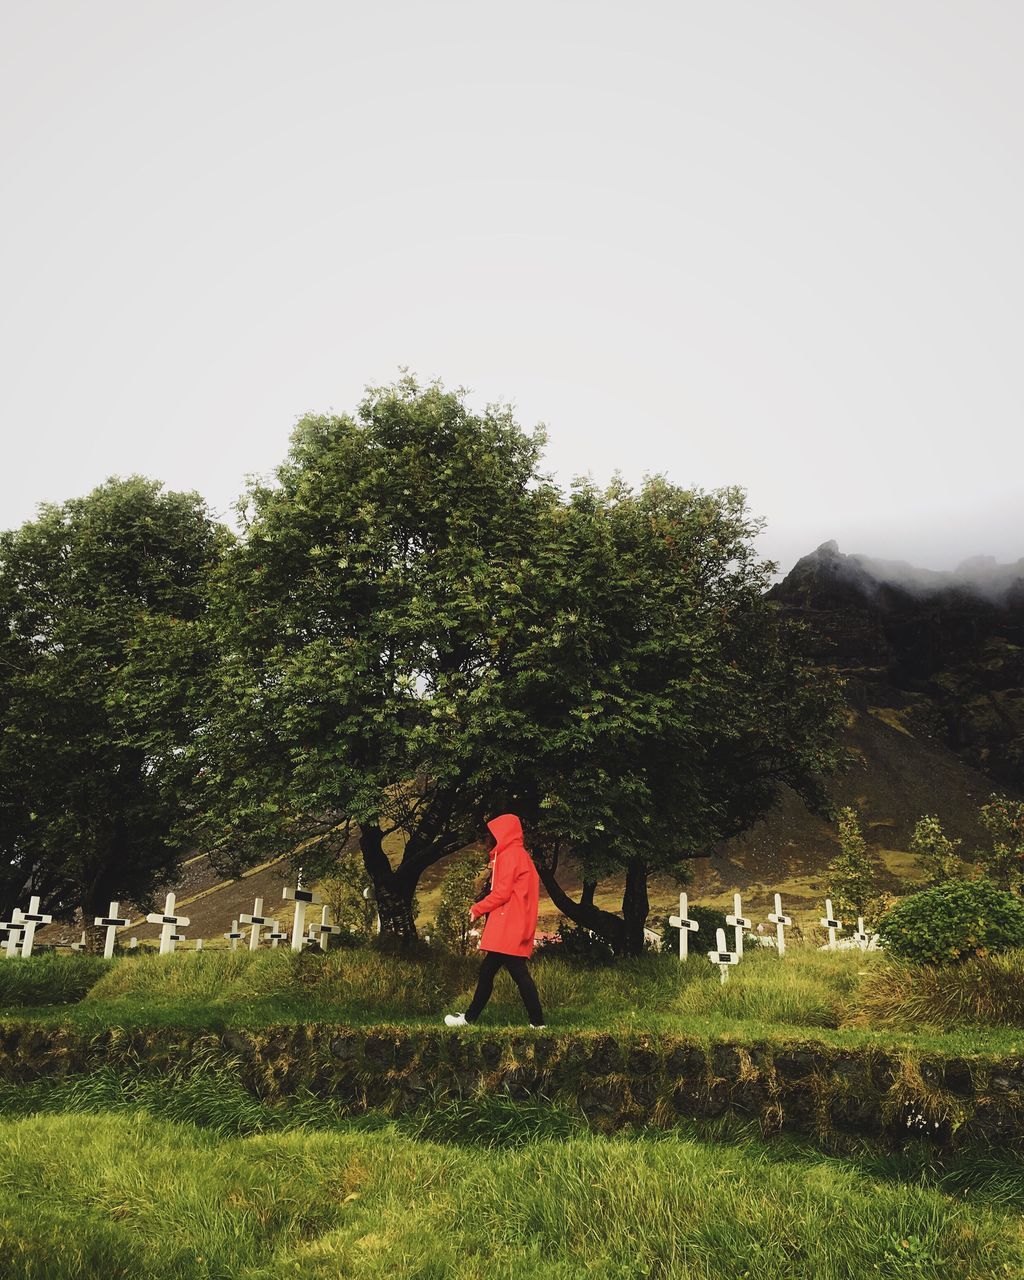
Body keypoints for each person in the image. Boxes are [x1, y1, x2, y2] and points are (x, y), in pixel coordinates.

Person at [444, 812, 545, 1028]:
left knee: (514, 974)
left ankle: (537, 1023)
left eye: (492, 834)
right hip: (514, 924)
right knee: (492, 972)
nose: (488, 839)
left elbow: (502, 893)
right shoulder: (520, 855)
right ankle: (471, 1018)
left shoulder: (509, 856)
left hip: (508, 925)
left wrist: (477, 908)